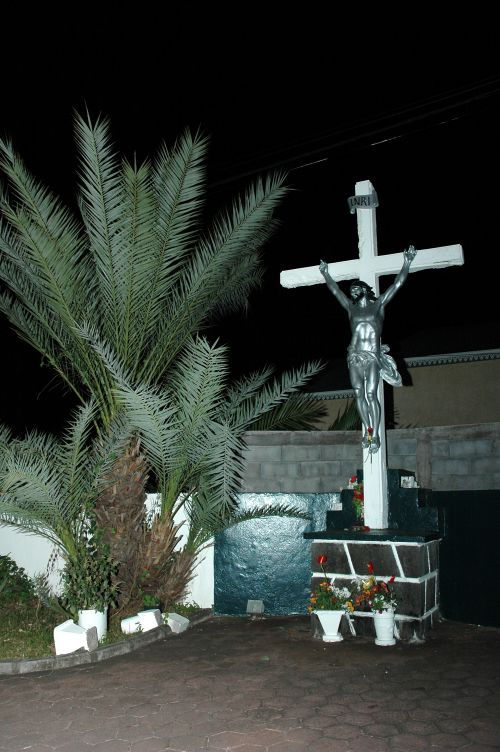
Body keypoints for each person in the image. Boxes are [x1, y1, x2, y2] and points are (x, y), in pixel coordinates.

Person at [319, 246, 417, 453]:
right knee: (358, 393)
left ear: (364, 289)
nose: (352, 292)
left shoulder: (378, 305)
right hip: (354, 356)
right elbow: (335, 291)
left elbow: (397, 284)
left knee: (371, 394)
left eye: (356, 289)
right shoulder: (351, 308)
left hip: (372, 356)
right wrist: (326, 274)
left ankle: (376, 434)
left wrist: (407, 263)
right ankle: (369, 432)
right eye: (351, 291)